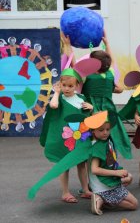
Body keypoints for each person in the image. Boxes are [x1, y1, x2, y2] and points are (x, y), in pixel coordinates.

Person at [39, 41, 94, 203]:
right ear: (60, 85)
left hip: (79, 137)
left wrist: (90, 107)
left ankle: (85, 189)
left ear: (77, 85)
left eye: (70, 85)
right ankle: (65, 192)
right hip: (65, 138)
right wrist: (56, 93)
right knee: (64, 165)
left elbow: (88, 117)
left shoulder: (81, 98)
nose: (67, 88)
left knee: (82, 163)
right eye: (64, 85)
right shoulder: (60, 98)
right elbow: (53, 105)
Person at [81, 32, 132, 159]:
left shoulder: (86, 75)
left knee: (91, 138)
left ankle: (95, 166)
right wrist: (107, 43)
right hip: (108, 110)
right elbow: (112, 61)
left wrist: (67, 46)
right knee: (109, 137)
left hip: (90, 109)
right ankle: (110, 164)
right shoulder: (110, 74)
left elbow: (75, 66)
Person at [89, 118, 138, 215]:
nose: (105, 132)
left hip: (108, 181)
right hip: (104, 185)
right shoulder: (97, 146)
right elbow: (94, 169)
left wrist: (119, 171)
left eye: (107, 129)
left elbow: (109, 162)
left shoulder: (106, 141)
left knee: (129, 177)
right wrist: (116, 173)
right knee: (134, 204)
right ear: (93, 130)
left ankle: (103, 200)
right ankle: (102, 198)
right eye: (101, 130)